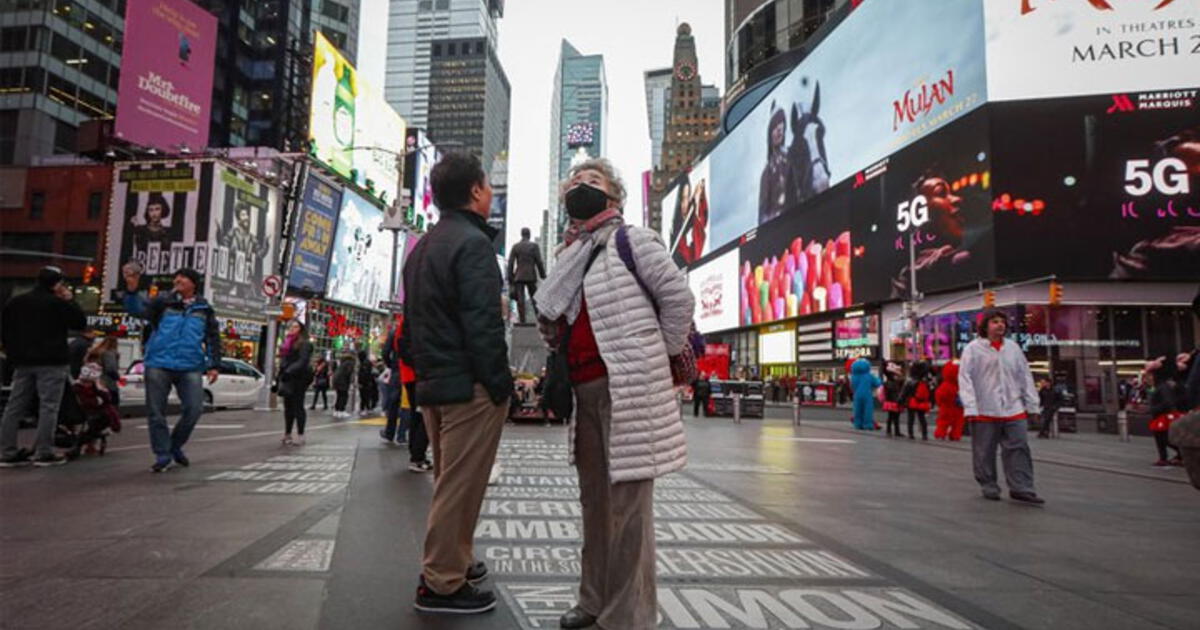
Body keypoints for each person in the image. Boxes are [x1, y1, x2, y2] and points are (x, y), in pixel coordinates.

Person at [534, 158, 694, 630]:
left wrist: (654, 356)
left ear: (615, 197)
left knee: (628, 507)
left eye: (594, 181)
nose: (582, 186)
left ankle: (627, 617)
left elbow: (678, 299)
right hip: (585, 390)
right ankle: (592, 601)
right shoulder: (568, 257)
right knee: (595, 503)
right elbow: (557, 319)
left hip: (629, 388)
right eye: (575, 182)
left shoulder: (632, 239)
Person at [401, 153, 512, 614]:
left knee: (452, 481)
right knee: (460, 486)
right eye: (487, 186)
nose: (490, 193)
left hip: (434, 384)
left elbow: (410, 324)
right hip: (469, 387)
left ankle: (457, 560)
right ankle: (441, 582)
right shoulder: (472, 245)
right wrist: (500, 383)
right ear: (474, 192)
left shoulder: (424, 246)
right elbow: (483, 322)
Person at [122, 266, 221, 472]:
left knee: (194, 409)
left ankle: (174, 446)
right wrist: (131, 291)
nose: (178, 280)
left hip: (190, 365)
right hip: (158, 362)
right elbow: (137, 311)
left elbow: (212, 338)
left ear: (193, 283)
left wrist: (213, 365)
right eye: (177, 277)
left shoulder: (204, 309)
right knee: (156, 411)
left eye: (183, 277)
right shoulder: (163, 302)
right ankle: (162, 454)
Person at [0, 267, 86, 467]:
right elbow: (80, 322)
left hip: (22, 362)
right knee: (49, 406)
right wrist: (70, 299)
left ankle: (7, 451)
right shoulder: (57, 303)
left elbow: (5, 331)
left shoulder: (16, 302)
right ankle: (43, 451)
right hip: (52, 361)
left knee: (15, 406)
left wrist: (13, 355)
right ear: (57, 284)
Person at [958, 309, 1045, 504]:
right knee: (984, 451)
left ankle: (1021, 487)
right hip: (984, 410)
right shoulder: (973, 349)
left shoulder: (1013, 349)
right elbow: (965, 379)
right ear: (985, 326)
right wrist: (970, 407)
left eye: (1003, 322)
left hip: (1013, 409)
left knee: (1019, 447)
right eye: (995, 322)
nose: (1000, 325)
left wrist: (1033, 405)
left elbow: (1025, 377)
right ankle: (988, 484)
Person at [277, 320, 313, 446]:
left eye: (295, 326)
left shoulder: (305, 343)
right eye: (290, 326)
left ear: (301, 329)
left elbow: (303, 361)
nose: (292, 328)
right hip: (288, 377)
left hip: (299, 378)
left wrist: (289, 370)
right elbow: (284, 360)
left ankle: (300, 434)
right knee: (288, 407)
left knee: (298, 406)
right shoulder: (287, 341)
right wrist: (279, 378)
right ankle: (287, 434)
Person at [1144, 357, 1185, 467]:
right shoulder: (1158, 386)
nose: (1147, 379)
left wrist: (1153, 409)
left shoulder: (1162, 387)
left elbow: (1168, 402)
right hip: (1160, 416)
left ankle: (1180, 454)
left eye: (1149, 376)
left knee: (1165, 439)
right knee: (1161, 438)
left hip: (1164, 416)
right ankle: (1164, 457)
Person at [508, 227, 546, 325]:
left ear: (522, 234)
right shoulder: (534, 246)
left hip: (519, 276)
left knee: (520, 298)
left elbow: (510, 263)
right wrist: (543, 275)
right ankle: (539, 319)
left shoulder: (516, 246)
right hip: (530, 275)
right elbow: (539, 261)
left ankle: (522, 320)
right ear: (529, 235)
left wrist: (510, 278)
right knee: (535, 298)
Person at [934, 361, 965, 441]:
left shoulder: (946, 385)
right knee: (957, 422)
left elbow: (939, 396)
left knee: (944, 421)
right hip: (957, 407)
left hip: (947, 406)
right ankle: (955, 435)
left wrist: (939, 403)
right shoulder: (961, 385)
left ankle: (941, 433)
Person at [902, 361, 932, 440]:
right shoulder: (925, 381)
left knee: (911, 418)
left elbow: (904, 392)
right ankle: (924, 435)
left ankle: (911, 434)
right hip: (921, 402)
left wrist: (900, 401)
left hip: (912, 401)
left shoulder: (910, 381)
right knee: (922, 418)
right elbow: (930, 392)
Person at [849, 358, 881, 431]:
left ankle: (858, 424)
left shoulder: (853, 376)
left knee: (857, 410)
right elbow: (877, 383)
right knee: (868, 410)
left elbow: (852, 386)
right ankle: (867, 424)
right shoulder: (869, 376)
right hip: (867, 394)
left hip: (856, 395)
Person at [92, 336, 122, 408]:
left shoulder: (98, 352)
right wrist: (117, 377)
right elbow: (111, 369)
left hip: (98, 383)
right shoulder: (109, 353)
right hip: (108, 384)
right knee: (112, 406)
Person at [881, 361, 905, 438]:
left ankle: (893, 431)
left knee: (894, 417)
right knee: (892, 417)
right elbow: (892, 392)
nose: (897, 376)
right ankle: (891, 431)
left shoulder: (892, 382)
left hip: (893, 401)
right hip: (892, 401)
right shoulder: (890, 383)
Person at [332, 351, 355, 418]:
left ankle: (337, 411)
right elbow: (348, 373)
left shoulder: (343, 362)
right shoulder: (350, 363)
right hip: (343, 381)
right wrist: (350, 382)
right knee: (344, 396)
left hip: (337, 380)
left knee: (339, 395)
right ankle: (342, 410)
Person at [357, 351, 378, 416]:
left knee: (364, 396)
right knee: (366, 396)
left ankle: (364, 409)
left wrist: (360, 382)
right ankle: (367, 409)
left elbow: (363, 374)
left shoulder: (363, 363)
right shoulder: (367, 363)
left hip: (365, 382)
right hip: (368, 382)